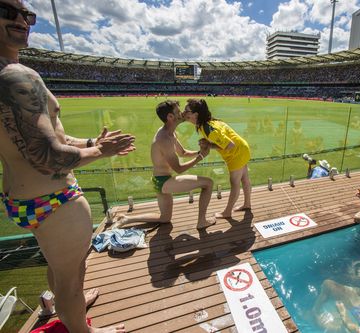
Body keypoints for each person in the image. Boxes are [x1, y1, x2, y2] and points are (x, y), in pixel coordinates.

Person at [0, 2, 135, 332]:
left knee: (62, 270)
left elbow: (53, 136)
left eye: (27, 15)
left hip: (22, 199)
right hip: (55, 200)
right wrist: (102, 152)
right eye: (8, 11)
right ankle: (80, 322)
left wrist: (90, 143)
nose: (22, 20)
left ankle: (66, 301)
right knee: (72, 278)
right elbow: (46, 154)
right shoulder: (17, 75)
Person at [114, 100, 215, 230]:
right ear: (170, 117)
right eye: (179, 111)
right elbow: (178, 169)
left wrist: (198, 152)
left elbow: (182, 152)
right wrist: (201, 157)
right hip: (164, 182)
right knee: (208, 183)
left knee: (165, 218)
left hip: (158, 180)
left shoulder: (169, 133)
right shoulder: (164, 139)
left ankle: (127, 219)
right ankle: (202, 222)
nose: (183, 113)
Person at [183, 98, 251, 219]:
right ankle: (247, 204)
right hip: (242, 148)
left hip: (236, 153)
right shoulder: (207, 123)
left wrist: (209, 145)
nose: (184, 113)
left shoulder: (208, 128)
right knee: (244, 178)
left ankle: (227, 212)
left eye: (187, 110)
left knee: (235, 183)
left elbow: (230, 145)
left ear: (195, 114)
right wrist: (209, 143)